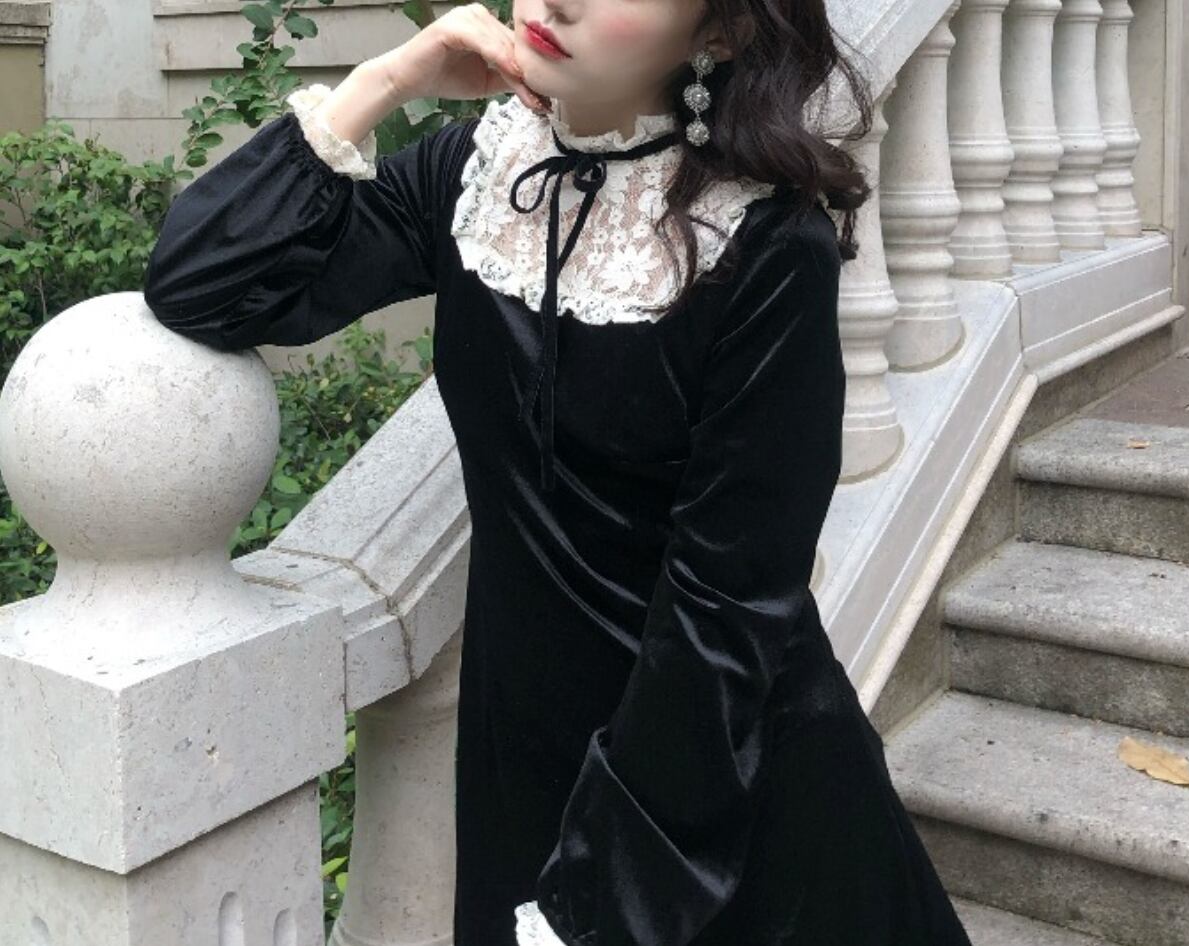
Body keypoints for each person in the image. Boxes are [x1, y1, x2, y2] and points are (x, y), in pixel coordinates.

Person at [143, 0, 977, 943]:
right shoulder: (477, 176)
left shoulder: (765, 248)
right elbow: (200, 284)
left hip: (717, 779)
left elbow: (729, 603)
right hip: (520, 757)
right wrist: (387, 80)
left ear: (720, 34)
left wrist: (600, 900)